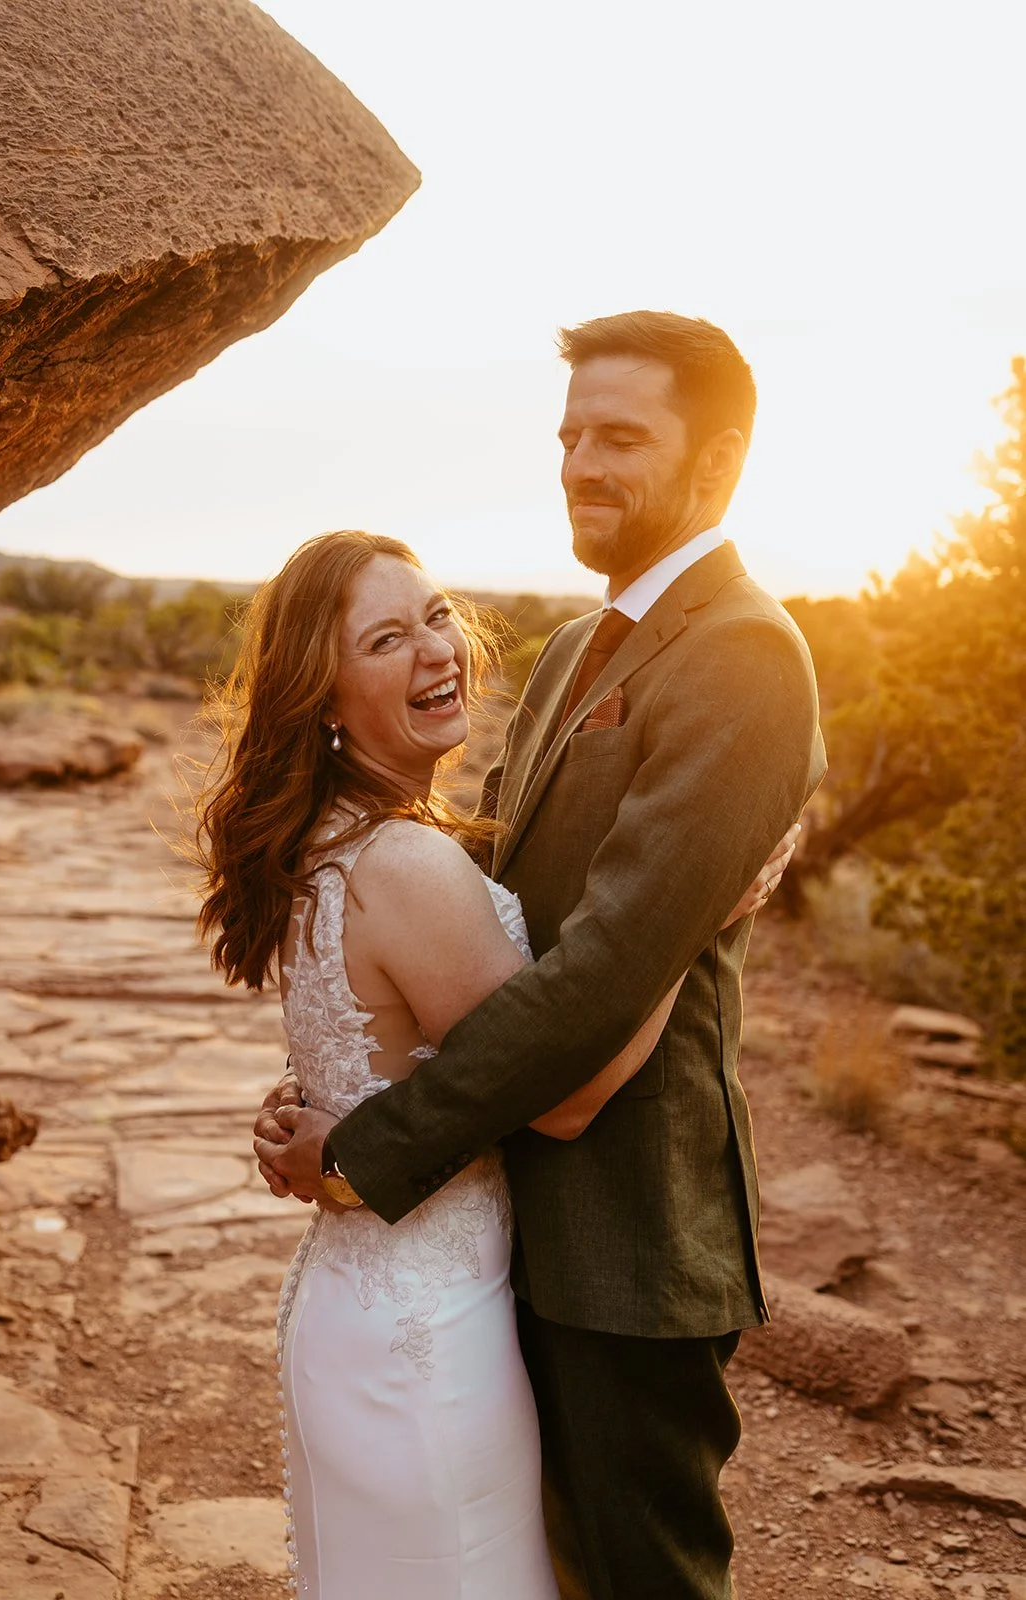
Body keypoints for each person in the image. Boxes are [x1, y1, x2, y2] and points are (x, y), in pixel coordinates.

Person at [254, 310, 827, 1600]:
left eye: (620, 436)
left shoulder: (741, 657)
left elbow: (603, 971)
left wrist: (366, 1148)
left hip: (628, 1235)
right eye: (569, 434)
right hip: (504, 1223)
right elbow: (484, 889)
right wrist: (347, 1085)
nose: (578, 463)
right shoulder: (581, 647)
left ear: (720, 459)